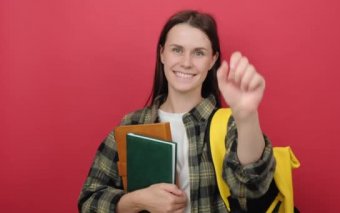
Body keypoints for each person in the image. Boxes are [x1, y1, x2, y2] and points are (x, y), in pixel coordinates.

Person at [78, 10, 275, 213]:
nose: (186, 62)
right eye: (177, 50)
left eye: (199, 52)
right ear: (162, 53)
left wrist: (247, 116)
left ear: (212, 60)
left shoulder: (230, 124)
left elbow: (253, 186)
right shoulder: (132, 124)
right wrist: (137, 200)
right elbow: (89, 202)